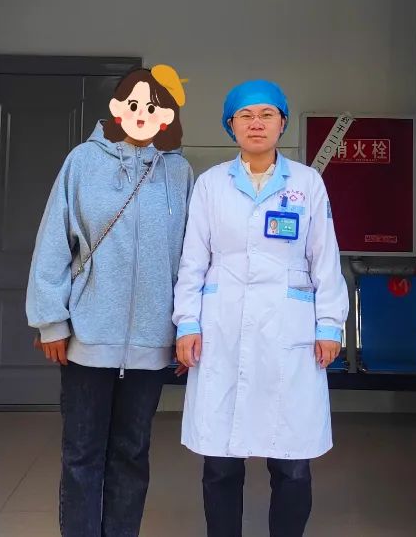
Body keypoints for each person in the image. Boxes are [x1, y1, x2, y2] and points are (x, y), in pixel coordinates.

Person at [173, 80, 349, 537]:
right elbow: (193, 261)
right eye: (245, 116)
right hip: (222, 328)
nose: (256, 123)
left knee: (292, 463)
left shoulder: (307, 184)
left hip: (289, 331)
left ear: (282, 123)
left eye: (267, 114)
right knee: (220, 463)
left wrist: (329, 325)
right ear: (230, 125)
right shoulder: (211, 184)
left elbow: (324, 259)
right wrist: (187, 322)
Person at [26, 65, 193, 537]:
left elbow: (191, 256)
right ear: (118, 107)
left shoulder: (179, 172)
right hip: (88, 337)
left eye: (154, 106)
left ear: (168, 115)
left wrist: (187, 326)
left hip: (152, 341)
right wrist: (51, 321)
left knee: (132, 454)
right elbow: (54, 241)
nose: (143, 113)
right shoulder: (83, 161)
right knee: (82, 455)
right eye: (135, 103)